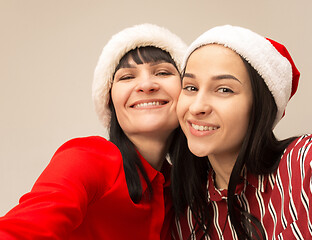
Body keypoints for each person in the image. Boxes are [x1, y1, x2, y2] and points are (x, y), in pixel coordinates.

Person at [171, 25, 312, 240]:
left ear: (261, 107)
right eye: (190, 87)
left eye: (224, 89)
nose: (196, 107)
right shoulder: (185, 218)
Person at [0, 23, 187, 239]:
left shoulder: (179, 191)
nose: (146, 85)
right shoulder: (89, 159)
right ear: (110, 101)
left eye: (162, 72)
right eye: (127, 77)